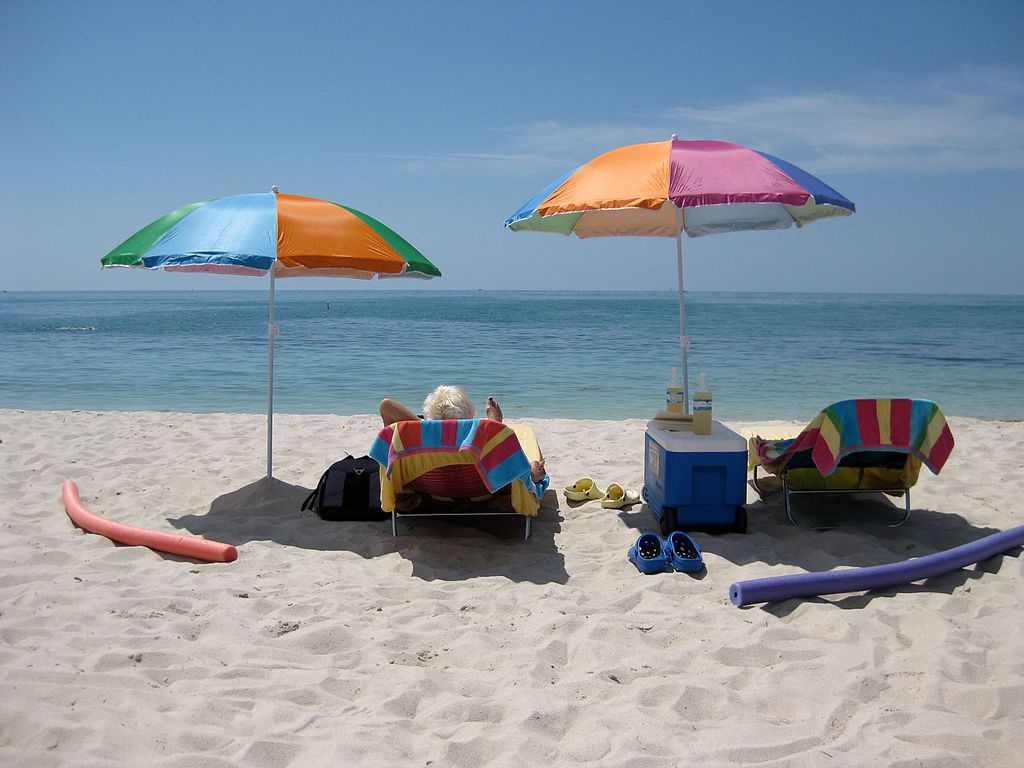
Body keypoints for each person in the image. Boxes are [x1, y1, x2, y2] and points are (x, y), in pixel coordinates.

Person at [379, 385, 545, 483]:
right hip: (484, 491)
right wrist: (494, 425)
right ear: (470, 416)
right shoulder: (476, 442)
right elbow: (514, 473)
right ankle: (495, 425)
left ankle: (492, 424)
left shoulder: (420, 442)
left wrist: (425, 426)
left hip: (427, 489)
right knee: (498, 438)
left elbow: (386, 405)